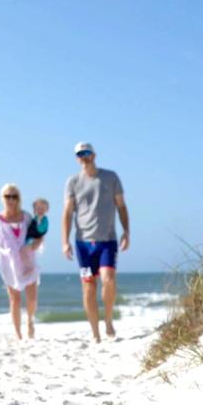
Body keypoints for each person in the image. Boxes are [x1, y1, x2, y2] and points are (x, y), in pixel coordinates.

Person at [61, 142, 129, 343]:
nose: (84, 156)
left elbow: (122, 207)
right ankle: (95, 332)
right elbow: (67, 212)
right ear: (77, 158)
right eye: (80, 154)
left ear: (94, 155)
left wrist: (127, 231)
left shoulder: (110, 177)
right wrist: (64, 241)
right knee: (89, 287)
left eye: (87, 152)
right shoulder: (72, 182)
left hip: (107, 240)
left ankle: (108, 319)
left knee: (108, 279)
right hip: (83, 244)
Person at [0, 184, 41, 340]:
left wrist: (36, 244)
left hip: (28, 259)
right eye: (8, 196)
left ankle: (29, 321)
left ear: (19, 199)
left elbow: (36, 236)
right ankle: (18, 334)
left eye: (14, 196)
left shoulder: (27, 217)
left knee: (32, 297)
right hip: (9, 263)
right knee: (15, 299)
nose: (11, 200)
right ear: (2, 198)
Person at [21, 197, 49, 275]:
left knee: (23, 252)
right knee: (24, 252)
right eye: (38, 208)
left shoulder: (44, 220)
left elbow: (42, 230)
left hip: (35, 239)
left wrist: (39, 222)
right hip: (31, 239)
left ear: (47, 210)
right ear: (34, 210)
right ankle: (29, 267)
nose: (40, 210)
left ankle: (30, 267)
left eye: (42, 208)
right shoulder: (34, 218)